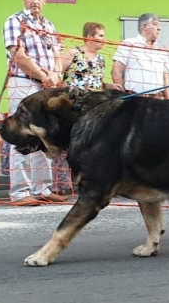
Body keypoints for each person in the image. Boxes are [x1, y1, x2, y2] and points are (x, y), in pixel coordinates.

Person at [3, 0, 67, 205]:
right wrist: (43, 75)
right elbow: (17, 55)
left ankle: (43, 188)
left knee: (45, 134)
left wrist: (55, 75)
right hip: (24, 84)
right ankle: (20, 193)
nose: (35, 1)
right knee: (21, 134)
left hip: (47, 86)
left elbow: (58, 55)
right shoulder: (14, 21)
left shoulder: (49, 25)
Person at [53, 22, 123, 195]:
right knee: (67, 144)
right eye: (101, 36)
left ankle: (89, 181)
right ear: (90, 37)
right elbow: (55, 73)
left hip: (93, 107)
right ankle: (60, 184)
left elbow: (97, 82)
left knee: (91, 144)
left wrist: (110, 85)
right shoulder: (73, 53)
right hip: (73, 107)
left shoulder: (100, 59)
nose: (104, 40)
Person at [111, 13, 169, 99]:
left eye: (159, 25)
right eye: (155, 24)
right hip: (135, 99)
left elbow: (165, 78)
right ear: (144, 26)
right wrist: (123, 98)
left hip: (157, 101)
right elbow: (116, 72)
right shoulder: (128, 44)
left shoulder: (161, 50)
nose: (159, 28)